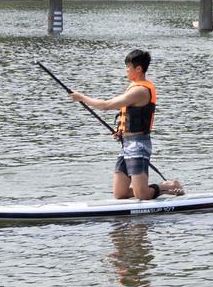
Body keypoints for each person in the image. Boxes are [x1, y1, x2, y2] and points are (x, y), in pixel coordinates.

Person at [69, 49, 185, 201]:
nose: (126, 71)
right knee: (120, 193)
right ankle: (151, 188)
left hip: (138, 145)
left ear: (138, 69)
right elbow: (128, 115)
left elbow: (106, 105)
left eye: (128, 68)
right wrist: (121, 131)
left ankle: (166, 186)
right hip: (126, 144)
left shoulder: (141, 91)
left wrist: (81, 97)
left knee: (142, 195)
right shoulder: (133, 88)